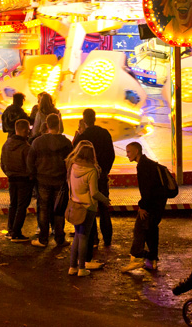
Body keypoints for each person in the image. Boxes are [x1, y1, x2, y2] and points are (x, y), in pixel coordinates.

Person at [72, 108, 116, 251]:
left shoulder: (83, 137)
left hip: (86, 178)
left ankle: (94, 239)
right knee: (104, 207)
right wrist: (104, 171)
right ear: (95, 118)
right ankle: (107, 238)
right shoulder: (104, 133)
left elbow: (74, 155)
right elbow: (111, 154)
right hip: (101, 175)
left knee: (90, 209)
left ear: (84, 120)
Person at [121, 142, 168, 273]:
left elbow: (147, 189)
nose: (127, 155)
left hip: (151, 204)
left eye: (129, 151)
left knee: (139, 228)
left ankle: (136, 259)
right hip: (158, 202)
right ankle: (151, 261)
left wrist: (142, 207)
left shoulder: (143, 166)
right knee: (151, 230)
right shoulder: (148, 164)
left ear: (137, 151)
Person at [66, 140, 110, 276]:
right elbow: (94, 192)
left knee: (77, 238)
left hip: (75, 205)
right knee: (84, 238)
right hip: (87, 207)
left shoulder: (72, 166)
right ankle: (81, 268)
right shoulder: (91, 170)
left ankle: (72, 266)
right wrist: (105, 200)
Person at [27, 113, 71, 248]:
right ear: (59, 125)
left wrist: (34, 175)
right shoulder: (66, 143)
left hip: (42, 180)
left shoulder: (38, 142)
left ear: (46, 125)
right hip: (60, 181)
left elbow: (30, 162)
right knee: (59, 210)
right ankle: (59, 238)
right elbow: (71, 162)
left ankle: (43, 239)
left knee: (44, 209)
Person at [1, 118, 33, 241]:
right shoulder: (26, 147)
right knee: (21, 206)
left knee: (13, 205)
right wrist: (30, 176)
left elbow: (2, 163)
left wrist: (8, 173)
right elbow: (30, 166)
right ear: (25, 131)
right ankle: (16, 232)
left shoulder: (6, 144)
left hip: (11, 178)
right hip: (23, 180)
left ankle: (10, 230)